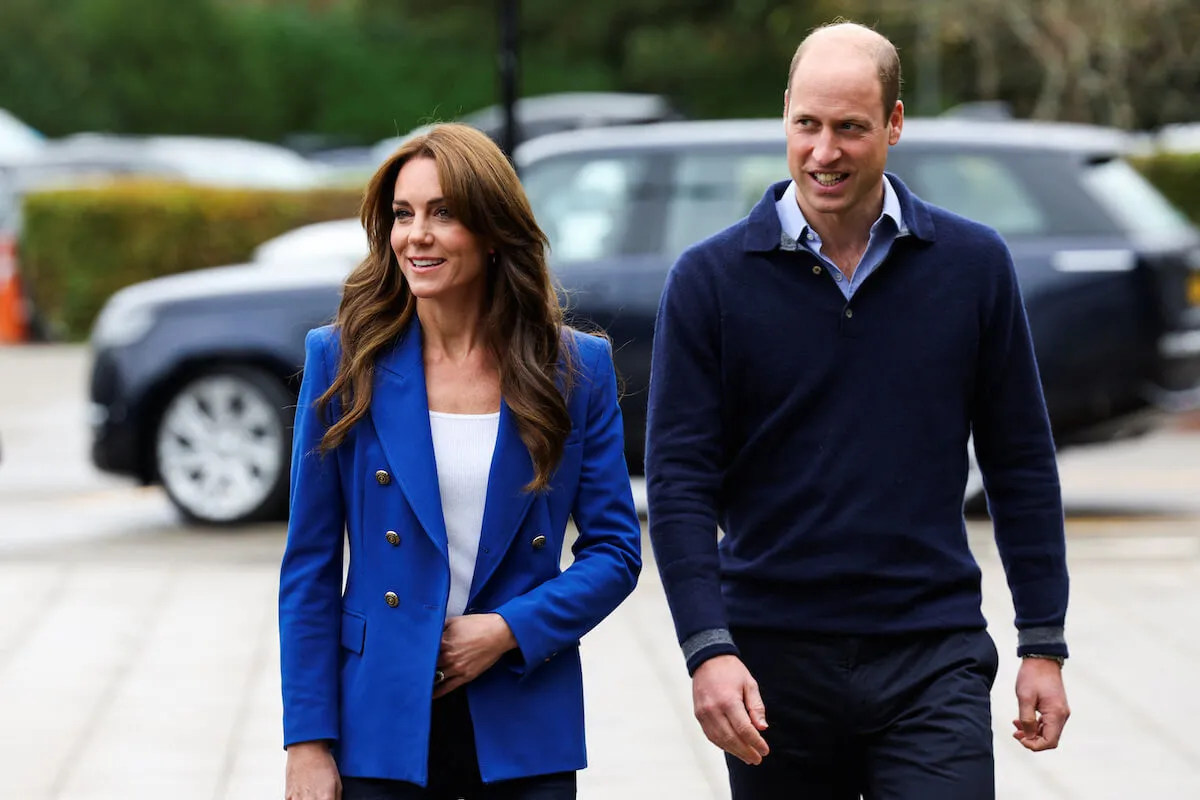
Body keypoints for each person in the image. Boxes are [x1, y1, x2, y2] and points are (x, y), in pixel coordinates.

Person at [645, 21, 1071, 799]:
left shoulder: (974, 267)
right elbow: (679, 483)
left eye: (850, 128)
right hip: (771, 665)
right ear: (785, 115)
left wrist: (1043, 641)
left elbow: (1020, 463)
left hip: (930, 652)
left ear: (895, 124)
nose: (823, 152)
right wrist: (707, 648)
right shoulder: (708, 281)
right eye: (807, 124)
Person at [279, 123, 642, 800]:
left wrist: (508, 630)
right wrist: (307, 742)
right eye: (403, 214)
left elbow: (616, 552)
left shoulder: (575, 370)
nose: (416, 235)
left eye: (443, 214)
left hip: (522, 711)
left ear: (493, 231)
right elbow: (309, 567)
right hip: (380, 720)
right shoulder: (342, 361)